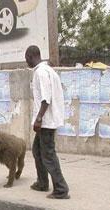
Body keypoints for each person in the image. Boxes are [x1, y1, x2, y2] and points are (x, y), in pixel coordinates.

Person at [25, 45, 70, 199]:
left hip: (46, 121)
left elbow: (46, 99)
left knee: (48, 155)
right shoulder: (48, 70)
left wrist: (38, 119)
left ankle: (61, 189)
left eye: (27, 59)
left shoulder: (41, 73)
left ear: (31, 56)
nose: (26, 62)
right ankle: (42, 182)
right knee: (37, 150)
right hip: (47, 120)